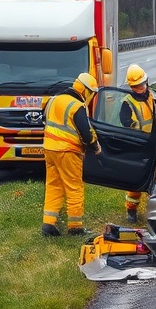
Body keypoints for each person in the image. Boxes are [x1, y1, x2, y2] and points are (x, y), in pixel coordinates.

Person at [41, 72, 102, 237]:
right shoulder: (76, 106)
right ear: (86, 90)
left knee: (53, 186)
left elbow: (43, 118)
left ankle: (48, 225)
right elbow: (86, 133)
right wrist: (95, 146)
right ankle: (75, 227)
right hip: (68, 151)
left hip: (49, 149)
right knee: (74, 187)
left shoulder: (54, 99)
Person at [120, 64, 156, 224]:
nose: (140, 88)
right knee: (137, 180)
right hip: (141, 147)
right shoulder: (127, 103)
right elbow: (126, 123)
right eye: (136, 86)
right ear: (131, 86)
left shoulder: (155, 96)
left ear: (146, 81)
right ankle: (131, 210)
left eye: (142, 84)